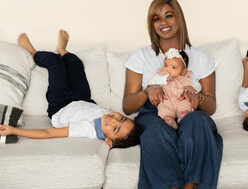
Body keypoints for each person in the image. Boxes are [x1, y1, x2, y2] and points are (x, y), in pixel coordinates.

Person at [123, 0, 223, 189]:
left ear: (179, 18)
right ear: (152, 25)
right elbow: (127, 105)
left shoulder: (201, 58)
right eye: (156, 18)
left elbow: (211, 106)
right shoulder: (141, 56)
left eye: (169, 15)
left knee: (200, 124)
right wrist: (147, 91)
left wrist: (197, 97)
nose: (163, 22)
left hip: (189, 111)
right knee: (153, 131)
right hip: (155, 112)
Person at [0, 30, 142, 149]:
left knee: (54, 61)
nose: (114, 120)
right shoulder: (109, 119)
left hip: (60, 104)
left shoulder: (87, 130)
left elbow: (48, 133)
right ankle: (62, 49)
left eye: (115, 128)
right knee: (76, 63)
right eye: (121, 118)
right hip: (83, 98)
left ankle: (33, 52)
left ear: (108, 141)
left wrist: (15, 130)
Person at [148, 48, 201, 129]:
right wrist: (163, 79)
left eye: (174, 67)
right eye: (166, 65)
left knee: (186, 104)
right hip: (167, 100)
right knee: (163, 108)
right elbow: (152, 82)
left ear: (183, 71)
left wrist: (192, 87)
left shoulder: (186, 77)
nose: (168, 69)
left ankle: (183, 115)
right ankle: (169, 119)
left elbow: (198, 85)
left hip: (180, 99)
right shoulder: (161, 75)